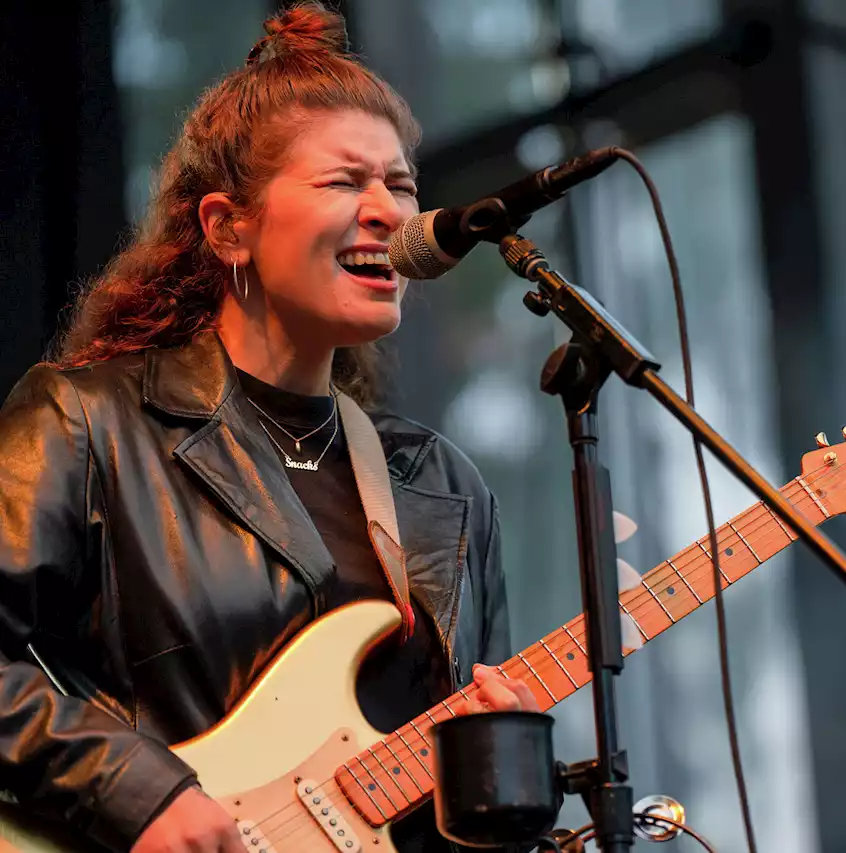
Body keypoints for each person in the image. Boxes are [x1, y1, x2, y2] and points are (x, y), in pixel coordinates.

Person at [0, 4, 537, 852]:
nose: (387, 213)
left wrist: (502, 779)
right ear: (227, 227)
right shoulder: (90, 422)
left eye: (400, 185)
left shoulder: (439, 484)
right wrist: (135, 788)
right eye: (343, 181)